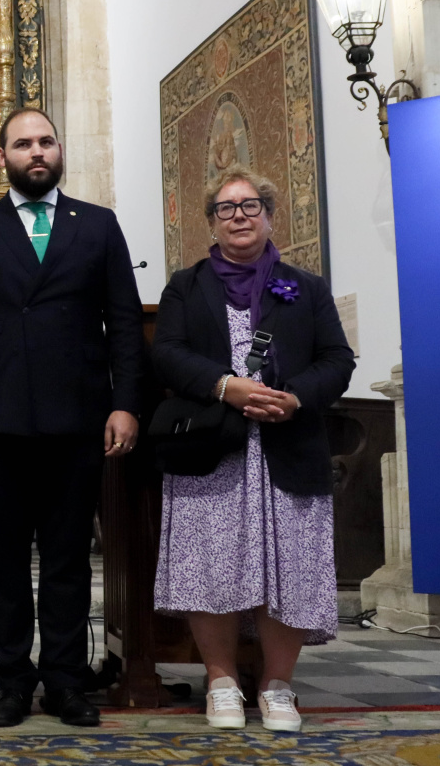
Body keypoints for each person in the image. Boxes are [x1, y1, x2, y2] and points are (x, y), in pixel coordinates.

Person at [0, 107, 143, 729]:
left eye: (46, 141)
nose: (37, 152)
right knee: (2, 559)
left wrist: (125, 402)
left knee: (68, 557)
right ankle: (13, 681)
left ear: (59, 151)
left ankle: (65, 680)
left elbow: (125, 323)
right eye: (23, 144)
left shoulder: (98, 226)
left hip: (77, 416)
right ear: (2, 157)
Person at [151, 166, 354, 733]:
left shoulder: (306, 287)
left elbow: (337, 360)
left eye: (250, 206)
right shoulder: (185, 286)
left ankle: (276, 686)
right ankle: (219, 681)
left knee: (289, 566)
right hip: (214, 450)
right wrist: (225, 386)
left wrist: (294, 399)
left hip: (290, 447)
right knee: (211, 562)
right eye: (226, 208)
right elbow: (165, 353)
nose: (238, 216)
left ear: (268, 215)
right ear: (211, 222)